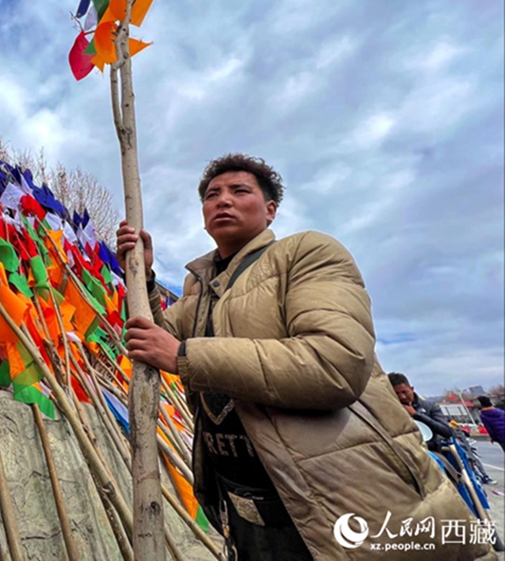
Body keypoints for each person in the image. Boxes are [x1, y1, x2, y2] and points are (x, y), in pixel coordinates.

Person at [117, 153, 493, 560]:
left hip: (344, 503)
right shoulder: (199, 291)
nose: (222, 200)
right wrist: (142, 277)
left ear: (270, 209)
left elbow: (335, 363)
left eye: (239, 191)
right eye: (212, 195)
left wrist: (187, 356)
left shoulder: (306, 254)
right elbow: (152, 340)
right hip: (245, 512)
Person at [387, 372, 453, 452]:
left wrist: (416, 415)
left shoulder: (430, 407)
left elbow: (447, 431)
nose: (402, 397)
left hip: (431, 450)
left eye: (404, 392)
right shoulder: (387, 410)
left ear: (411, 389)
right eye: (396, 393)